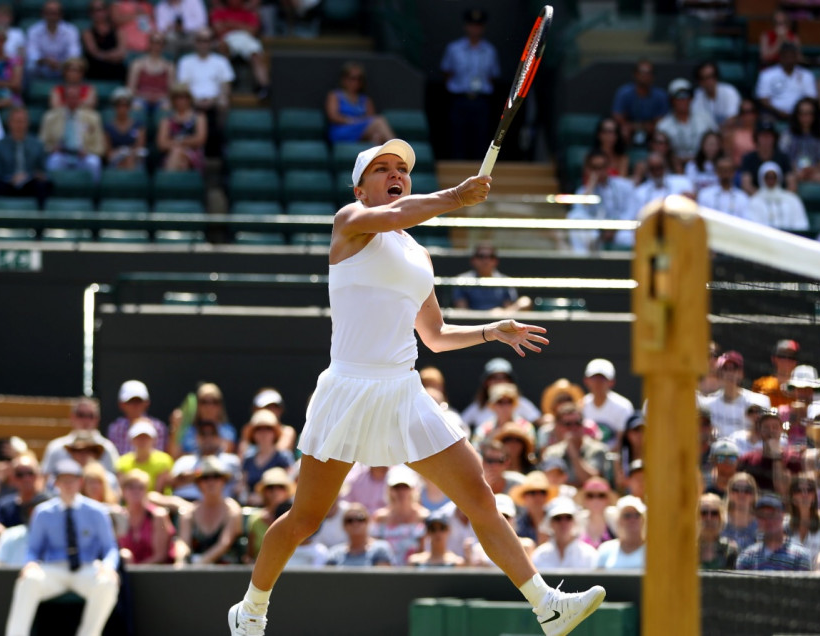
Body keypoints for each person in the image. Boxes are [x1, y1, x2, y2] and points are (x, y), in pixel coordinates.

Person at [227, 139, 605, 635]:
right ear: (360, 187)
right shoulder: (349, 221)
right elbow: (405, 210)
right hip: (349, 388)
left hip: (404, 392)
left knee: (480, 498)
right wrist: (456, 198)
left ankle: (547, 607)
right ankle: (251, 610)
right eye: (381, 169)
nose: (394, 174)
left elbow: (434, 335)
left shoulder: (418, 253)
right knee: (304, 519)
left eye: (401, 168)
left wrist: (492, 330)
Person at [4, 459, 120, 636]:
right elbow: (34, 549)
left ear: (80, 482)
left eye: (72, 480)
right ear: (56, 483)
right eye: (63, 480)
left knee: (107, 583)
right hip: (53, 569)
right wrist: (30, 564)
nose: (68, 485)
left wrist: (108, 566)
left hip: (87, 568)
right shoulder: (42, 512)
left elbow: (110, 548)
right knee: (28, 581)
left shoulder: (97, 511)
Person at [440, 8, 500, 160]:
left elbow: (493, 76)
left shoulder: (490, 50)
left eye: (478, 25)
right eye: (472, 25)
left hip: (481, 99)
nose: (475, 29)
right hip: (459, 98)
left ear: (483, 28)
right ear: (466, 26)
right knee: (457, 135)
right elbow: (447, 73)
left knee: (481, 136)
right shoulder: (454, 49)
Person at [566, 150, 638, 253]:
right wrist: (591, 186)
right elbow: (579, 213)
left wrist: (615, 227)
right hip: (596, 233)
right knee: (574, 217)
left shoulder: (624, 186)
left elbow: (631, 211)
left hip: (620, 231)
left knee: (633, 237)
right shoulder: (583, 191)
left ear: (608, 167)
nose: (599, 171)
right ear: (588, 169)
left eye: (602, 167)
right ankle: (581, 263)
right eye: (595, 168)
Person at [174, 457, 242, 565]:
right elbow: (183, 542)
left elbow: (225, 543)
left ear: (223, 481)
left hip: (227, 573)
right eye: (205, 478)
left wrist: (200, 563)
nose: (211, 482)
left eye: (216, 477)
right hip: (194, 572)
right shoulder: (189, 512)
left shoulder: (232, 510)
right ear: (199, 483)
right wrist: (180, 561)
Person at [39, 84, 105, 182]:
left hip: (83, 156)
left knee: (94, 162)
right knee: (53, 161)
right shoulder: (51, 117)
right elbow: (41, 144)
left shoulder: (93, 118)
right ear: (64, 99)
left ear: (79, 99)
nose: (72, 100)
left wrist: (88, 151)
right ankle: (52, 193)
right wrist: (53, 148)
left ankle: (94, 194)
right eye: (69, 97)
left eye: (75, 97)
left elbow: (100, 146)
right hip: (62, 155)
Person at [41, 398, 120, 477]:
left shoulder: (108, 448)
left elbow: (115, 480)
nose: (85, 420)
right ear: (71, 417)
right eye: (80, 415)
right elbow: (45, 479)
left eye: (90, 416)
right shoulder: (56, 447)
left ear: (97, 419)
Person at [210, 0, 270, 99]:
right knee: (222, 46)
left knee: (256, 54)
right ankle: (226, 82)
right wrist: (241, 26)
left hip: (246, 39)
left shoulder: (250, 12)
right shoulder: (219, 11)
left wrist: (229, 24)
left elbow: (253, 31)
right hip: (227, 38)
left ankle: (264, 86)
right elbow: (218, 29)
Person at [736, 493, 810, 571]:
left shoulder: (800, 556)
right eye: (762, 515)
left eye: (772, 514)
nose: (768, 520)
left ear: (783, 515)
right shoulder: (747, 557)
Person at [736, 408, 802, 495]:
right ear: (759, 431)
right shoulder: (748, 459)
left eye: (775, 427)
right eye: (766, 427)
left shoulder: (793, 459)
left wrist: (776, 456)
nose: (771, 431)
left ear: (781, 430)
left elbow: (783, 491)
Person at [117, 469, 174, 564]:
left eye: (140, 487)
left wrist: (136, 571)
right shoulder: (119, 516)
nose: (136, 491)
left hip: (154, 572)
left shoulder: (157, 516)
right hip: (127, 573)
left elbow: (160, 556)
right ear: (123, 491)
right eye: (131, 487)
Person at [450, 243, 529, 311]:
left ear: (496, 261)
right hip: (473, 326)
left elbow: (508, 309)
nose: (486, 260)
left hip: (500, 325)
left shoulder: (505, 281)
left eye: (491, 257)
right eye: (481, 256)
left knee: (525, 301)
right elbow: (462, 311)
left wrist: (499, 314)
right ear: (473, 260)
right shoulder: (462, 280)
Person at [239, 410, 294, 506]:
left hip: (278, 511)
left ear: (274, 432)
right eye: (259, 429)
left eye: (268, 428)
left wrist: (264, 498)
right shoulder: (248, 459)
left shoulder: (284, 457)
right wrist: (248, 497)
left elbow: (290, 487)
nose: (263, 433)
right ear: (253, 434)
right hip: (253, 509)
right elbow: (243, 486)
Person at [611, 59, 668, 147]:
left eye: (648, 73)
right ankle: (622, 157)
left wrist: (645, 127)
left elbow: (661, 120)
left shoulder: (660, 95)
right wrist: (635, 127)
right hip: (629, 130)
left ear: (653, 76)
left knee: (661, 133)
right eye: (642, 72)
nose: (645, 76)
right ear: (635, 74)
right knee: (622, 130)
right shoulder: (624, 92)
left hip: (651, 132)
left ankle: (655, 159)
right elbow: (618, 116)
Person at [657, 78, 717, 162]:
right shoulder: (663, 125)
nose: (682, 100)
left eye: (686, 95)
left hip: (704, 164)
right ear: (671, 100)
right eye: (678, 96)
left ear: (691, 98)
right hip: (674, 167)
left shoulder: (705, 118)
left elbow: (716, 142)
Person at [580, 358, 634, 449]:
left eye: (602, 378)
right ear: (586, 381)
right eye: (593, 378)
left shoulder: (623, 407)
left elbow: (621, 442)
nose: (598, 382)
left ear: (612, 382)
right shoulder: (580, 405)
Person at [755, 42, 816, 122]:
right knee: (764, 118)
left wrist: (797, 112)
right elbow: (763, 99)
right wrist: (779, 111)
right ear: (780, 56)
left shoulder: (806, 75)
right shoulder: (767, 74)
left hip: (800, 114)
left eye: (792, 56)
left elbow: (811, 97)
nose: (789, 59)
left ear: (796, 57)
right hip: (773, 112)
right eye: (786, 56)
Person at [531, 497, 598, 570]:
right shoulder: (539, 555)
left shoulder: (589, 555)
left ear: (575, 521)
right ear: (550, 522)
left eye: (568, 517)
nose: (563, 523)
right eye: (558, 518)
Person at [106, 380, 168, 456]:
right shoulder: (115, 428)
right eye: (130, 401)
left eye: (139, 401)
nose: (135, 405)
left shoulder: (158, 427)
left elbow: (158, 457)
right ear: (121, 404)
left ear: (147, 403)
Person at [244, 468, 293, 562]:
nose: (275, 491)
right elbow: (250, 555)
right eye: (270, 487)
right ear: (264, 492)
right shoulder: (255, 519)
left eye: (280, 487)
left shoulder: (293, 517)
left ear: (286, 491)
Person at [157, 83, 207, 172]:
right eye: (178, 97)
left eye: (184, 97)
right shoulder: (167, 120)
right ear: (173, 100)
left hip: (193, 153)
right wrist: (184, 143)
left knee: (178, 154)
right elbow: (162, 144)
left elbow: (200, 139)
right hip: (171, 154)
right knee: (179, 157)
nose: (181, 101)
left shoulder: (199, 117)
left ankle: (168, 182)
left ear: (189, 99)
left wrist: (177, 141)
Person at [324, 503, 394, 566]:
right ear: (344, 526)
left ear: (368, 522)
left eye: (360, 518)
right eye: (350, 520)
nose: (355, 523)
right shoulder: (334, 553)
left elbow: (383, 578)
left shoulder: (380, 549)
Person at [26, 1, 82, 80]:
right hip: (42, 67)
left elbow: (74, 54)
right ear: (43, 13)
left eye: (54, 13)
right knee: (30, 66)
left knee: (75, 66)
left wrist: (61, 64)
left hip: (64, 68)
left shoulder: (71, 30)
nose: (51, 16)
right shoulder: (34, 30)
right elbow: (32, 54)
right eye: (49, 13)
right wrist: (45, 61)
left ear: (61, 14)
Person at [114, 418, 173, 492]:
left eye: (146, 437)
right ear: (131, 440)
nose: (142, 441)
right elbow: (122, 491)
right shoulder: (122, 462)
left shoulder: (164, 460)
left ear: (154, 439)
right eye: (138, 437)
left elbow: (159, 492)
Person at [747, 162, 808, 230]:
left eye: (773, 177)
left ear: (778, 178)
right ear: (762, 178)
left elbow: (800, 225)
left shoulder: (792, 199)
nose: (770, 180)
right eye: (767, 177)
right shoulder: (754, 201)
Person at [780, 97, 820, 185]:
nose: (806, 117)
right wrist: (795, 170)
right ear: (797, 115)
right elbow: (783, 156)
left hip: (814, 172)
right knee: (790, 179)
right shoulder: (788, 134)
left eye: (809, 113)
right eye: (802, 113)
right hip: (793, 171)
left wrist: (813, 170)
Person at [739, 121, 793, 194]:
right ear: (756, 137)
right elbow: (746, 185)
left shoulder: (783, 158)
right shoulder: (748, 158)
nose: (766, 139)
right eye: (763, 136)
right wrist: (763, 198)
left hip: (781, 200)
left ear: (774, 138)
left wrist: (781, 198)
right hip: (756, 199)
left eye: (769, 136)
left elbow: (792, 184)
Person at [127, 32, 174, 116]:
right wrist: (143, 96)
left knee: (167, 107)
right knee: (136, 106)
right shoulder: (137, 64)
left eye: (159, 42)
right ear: (149, 43)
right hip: (141, 98)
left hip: (161, 99)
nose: (156, 45)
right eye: (153, 42)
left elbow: (171, 91)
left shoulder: (169, 67)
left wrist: (159, 97)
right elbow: (131, 89)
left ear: (163, 45)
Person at [595, 495, 645, 570]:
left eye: (637, 515)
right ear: (618, 520)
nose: (632, 520)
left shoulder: (653, 550)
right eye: (627, 516)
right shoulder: (605, 549)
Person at [82, 0, 127, 82]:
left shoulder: (118, 31)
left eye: (101, 9)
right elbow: (94, 53)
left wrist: (104, 55)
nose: (98, 13)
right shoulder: (87, 33)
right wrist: (111, 55)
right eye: (94, 10)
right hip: (96, 68)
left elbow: (122, 52)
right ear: (90, 13)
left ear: (106, 11)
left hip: (115, 68)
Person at [104, 88, 147, 170]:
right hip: (115, 161)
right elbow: (108, 153)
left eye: (125, 105)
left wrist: (128, 154)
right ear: (114, 107)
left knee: (132, 161)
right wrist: (120, 154)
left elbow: (140, 147)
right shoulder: (108, 127)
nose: (122, 109)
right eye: (119, 106)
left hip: (134, 159)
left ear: (129, 107)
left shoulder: (139, 126)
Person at [692, 61, 741, 128]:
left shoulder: (729, 92)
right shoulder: (696, 96)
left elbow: (733, 118)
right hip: (706, 135)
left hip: (728, 132)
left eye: (711, 76)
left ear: (716, 77)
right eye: (704, 78)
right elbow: (697, 122)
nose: (709, 81)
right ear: (699, 82)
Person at [698, 493, 739, 570]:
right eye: (703, 513)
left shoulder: (730, 550)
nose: (708, 518)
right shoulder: (687, 549)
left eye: (714, 513)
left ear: (721, 518)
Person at [721, 472, 759, 551]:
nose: (741, 494)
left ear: (753, 495)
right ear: (729, 493)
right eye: (736, 489)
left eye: (747, 490)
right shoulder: (719, 520)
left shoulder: (762, 524)